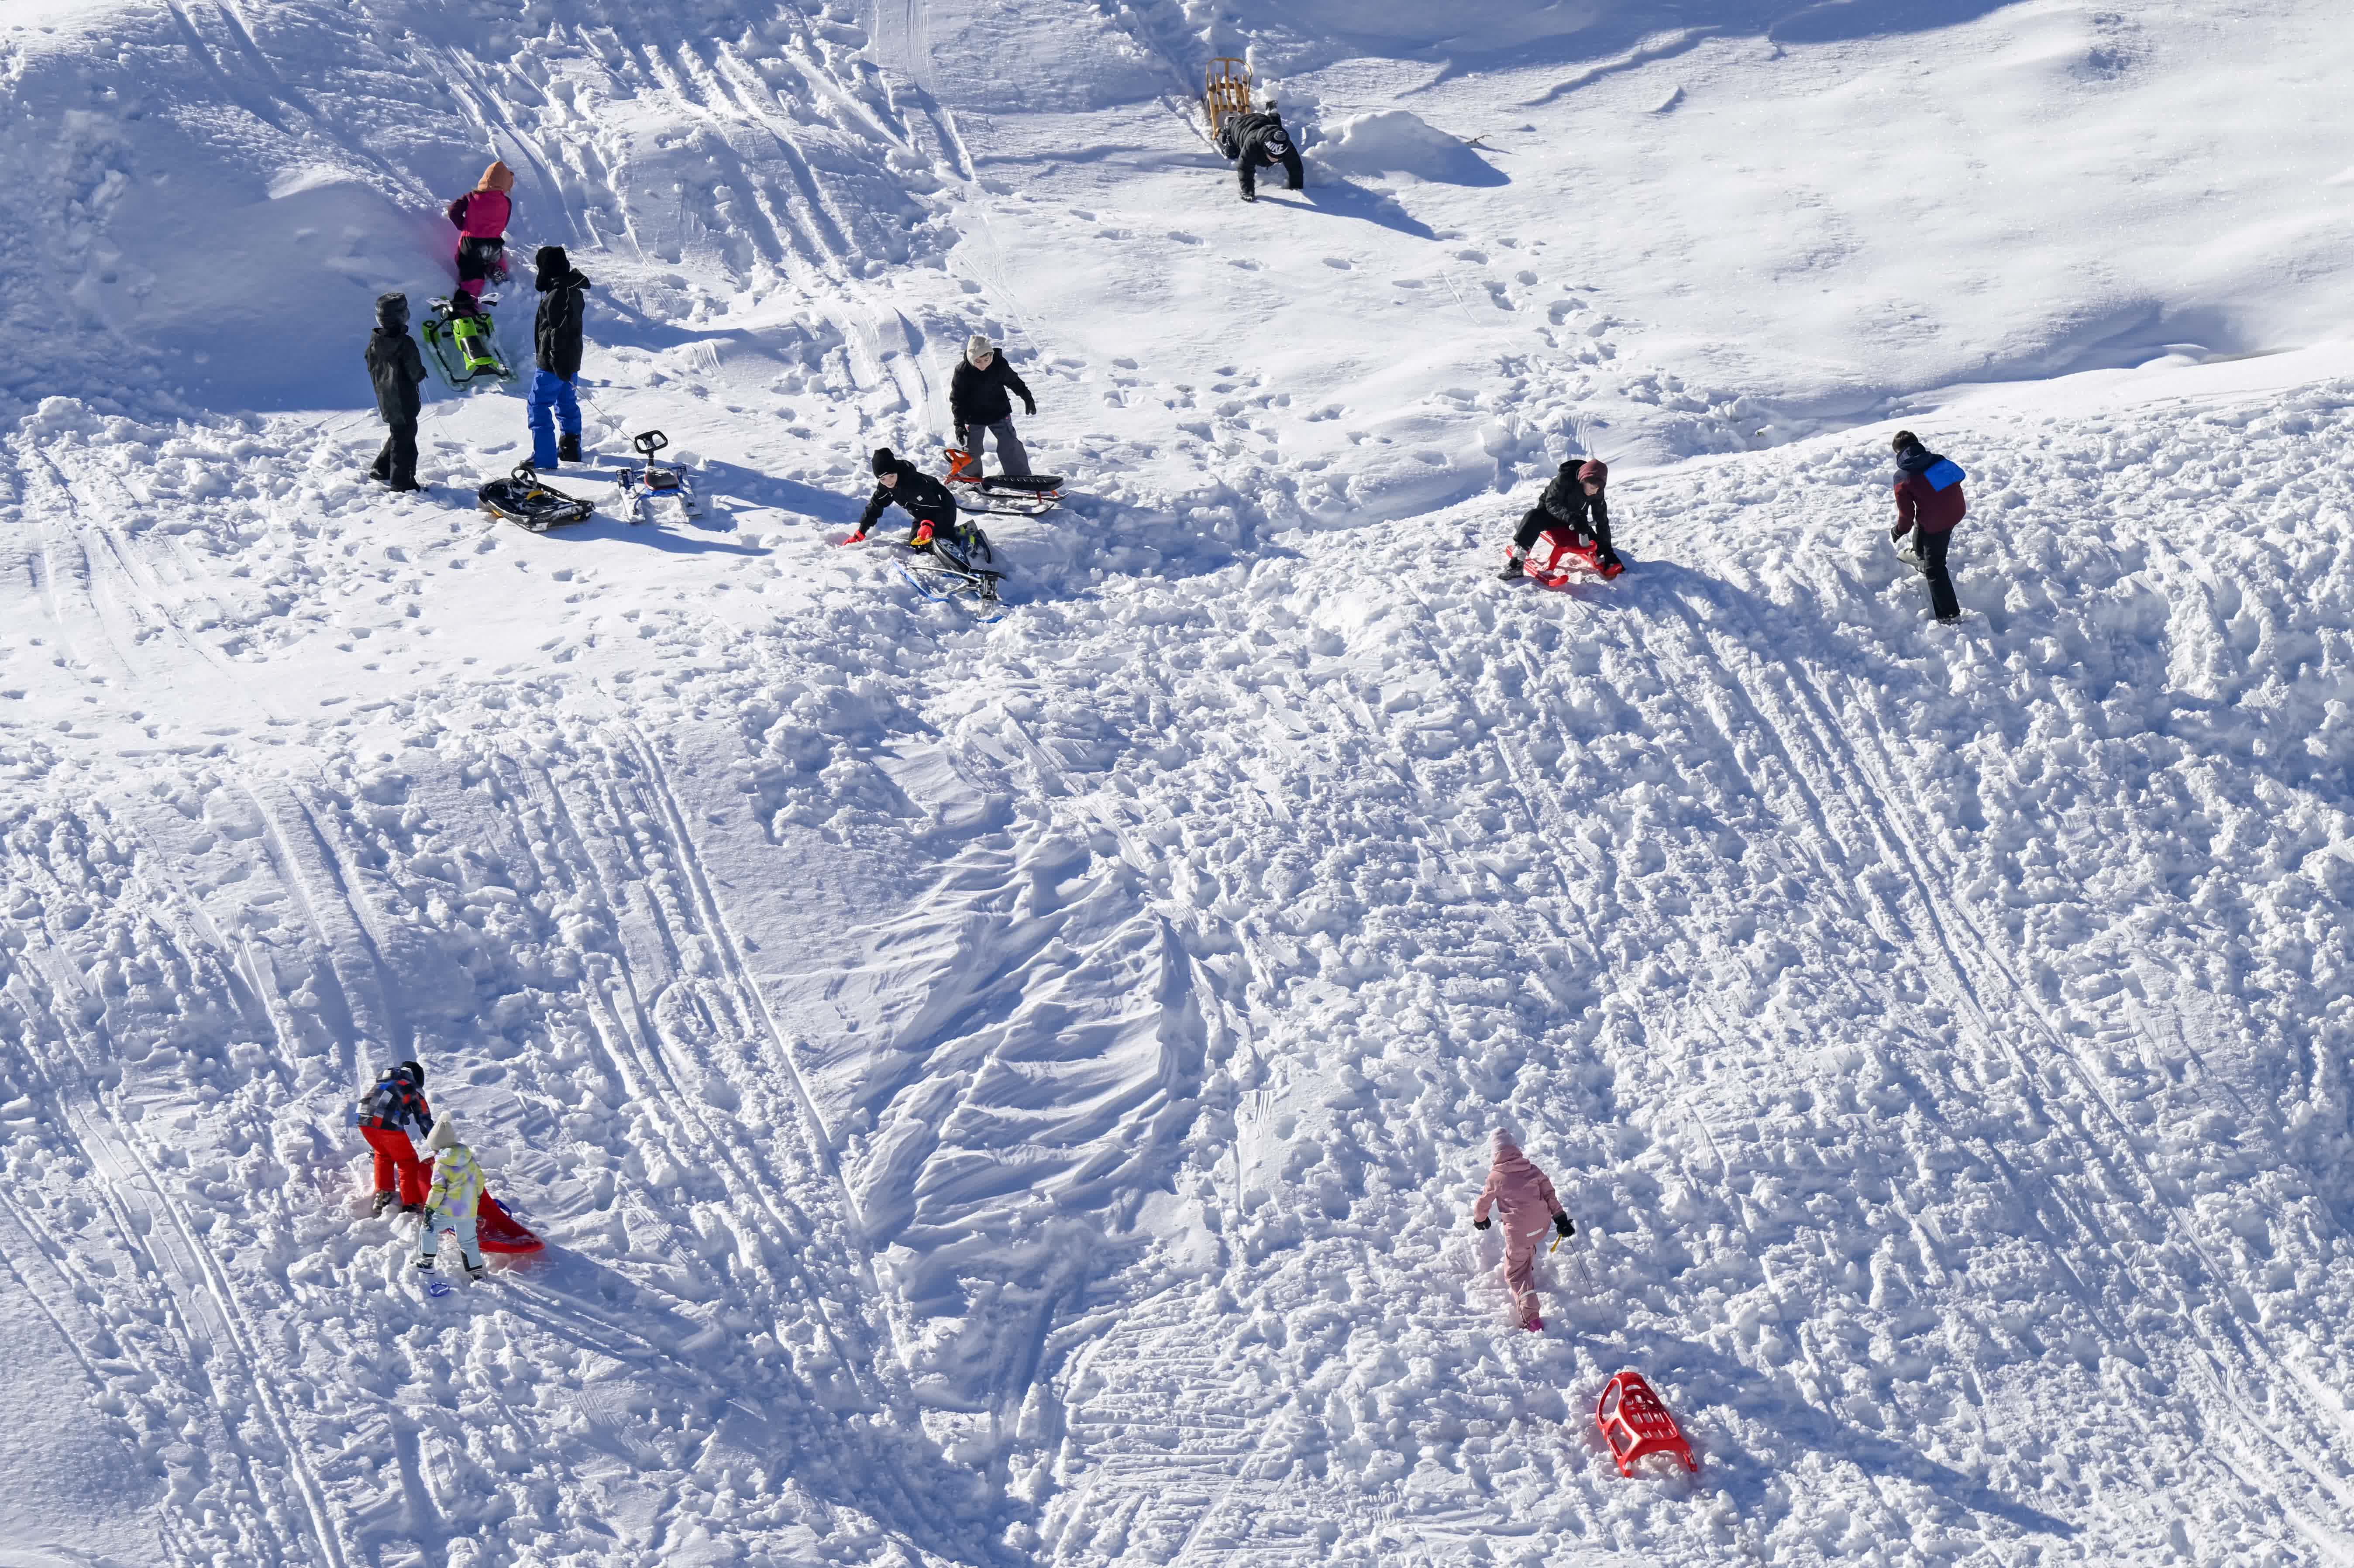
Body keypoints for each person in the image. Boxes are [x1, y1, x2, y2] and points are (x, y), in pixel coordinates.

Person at [1471, 1129, 1574, 1331]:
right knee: (1527, 1240)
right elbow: (1549, 1195)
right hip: (1541, 1226)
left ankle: (1531, 1315)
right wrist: (1560, 1218)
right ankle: (1527, 1257)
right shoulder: (1533, 1170)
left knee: (1515, 1274)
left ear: (1495, 1155)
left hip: (1520, 1234)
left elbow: (1484, 1201)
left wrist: (1480, 1219)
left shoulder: (1496, 1177)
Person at [1889, 430, 1966, 623]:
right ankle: (1919, 555)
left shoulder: (1903, 477)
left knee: (1935, 569)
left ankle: (1950, 615)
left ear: (1898, 453)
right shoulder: (1938, 460)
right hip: (1957, 510)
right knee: (1922, 525)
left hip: (1937, 523)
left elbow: (1906, 516)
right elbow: (1960, 475)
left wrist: (1898, 531)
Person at [1498, 458, 1619, 580]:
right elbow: (1552, 504)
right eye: (1593, 488)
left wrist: (1609, 552)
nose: (1595, 492)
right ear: (1583, 480)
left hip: (1574, 520)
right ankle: (1516, 563)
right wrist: (1572, 518)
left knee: (1595, 541)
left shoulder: (1597, 491)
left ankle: (1605, 558)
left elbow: (1602, 520)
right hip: (1550, 514)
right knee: (1532, 516)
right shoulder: (1564, 479)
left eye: (1598, 489)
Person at [528, 245, 591, 468]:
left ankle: (544, 459)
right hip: (570, 361)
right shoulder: (571, 290)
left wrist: (554, 362)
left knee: (538, 406)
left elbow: (557, 333)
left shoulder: (558, 295)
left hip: (553, 364)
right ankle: (570, 450)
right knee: (566, 403)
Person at [364, 294, 427, 492]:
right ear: (401, 317)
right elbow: (414, 371)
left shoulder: (375, 341)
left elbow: (371, 364)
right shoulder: (405, 344)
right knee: (405, 442)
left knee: (399, 433)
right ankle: (403, 482)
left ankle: (381, 468)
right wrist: (421, 374)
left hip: (386, 397)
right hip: (404, 399)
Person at [949, 335, 1036, 479]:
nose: (983, 365)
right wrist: (959, 425)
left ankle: (1020, 476)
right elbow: (957, 400)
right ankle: (970, 478)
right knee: (973, 450)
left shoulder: (998, 365)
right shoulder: (962, 372)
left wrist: (1027, 397)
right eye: (978, 361)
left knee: (1010, 443)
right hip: (973, 416)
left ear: (991, 356)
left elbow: (1014, 381)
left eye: (986, 360)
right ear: (971, 359)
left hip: (999, 411)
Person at [415, 1114, 490, 1281]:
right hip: (469, 1208)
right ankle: (477, 1274)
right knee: (468, 1240)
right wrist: (476, 1199)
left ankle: (427, 1263)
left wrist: (429, 1209)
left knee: (428, 1230)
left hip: (449, 1209)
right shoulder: (469, 1159)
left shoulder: (442, 1163)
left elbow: (438, 1189)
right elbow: (480, 1180)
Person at [848, 447, 968, 549]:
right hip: (922, 514)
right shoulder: (886, 488)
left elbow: (935, 506)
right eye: (883, 479)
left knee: (938, 540)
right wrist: (861, 531)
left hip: (943, 508)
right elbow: (875, 506)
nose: (889, 482)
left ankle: (966, 537)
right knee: (916, 543)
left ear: (897, 472)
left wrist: (928, 525)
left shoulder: (914, 483)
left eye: (891, 476)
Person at [356, 1060, 433, 1216]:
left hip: (363, 1120)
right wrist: (438, 1142)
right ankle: (412, 1202)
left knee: (383, 1154)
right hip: (387, 1123)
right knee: (408, 1161)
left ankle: (383, 1193)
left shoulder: (385, 1083)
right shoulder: (411, 1089)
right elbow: (424, 1120)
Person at [446, 161, 514, 304]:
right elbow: (505, 222)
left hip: (472, 245)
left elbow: (453, 210)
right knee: (494, 258)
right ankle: (496, 268)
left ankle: (468, 300)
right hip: (494, 244)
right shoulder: (507, 202)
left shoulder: (471, 197)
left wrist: (463, 225)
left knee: (471, 270)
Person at [1215, 105, 1304, 203]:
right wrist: (1248, 191)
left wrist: (1297, 186)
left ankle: (1273, 114)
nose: (1275, 160)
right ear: (1265, 149)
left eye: (1278, 157)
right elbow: (1245, 168)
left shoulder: (1285, 144)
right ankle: (1229, 122)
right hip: (1239, 125)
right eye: (1272, 156)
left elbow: (1295, 165)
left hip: (1263, 121)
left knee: (1278, 128)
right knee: (1232, 155)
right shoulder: (1252, 144)